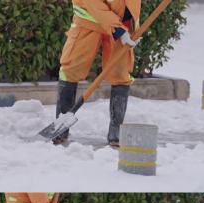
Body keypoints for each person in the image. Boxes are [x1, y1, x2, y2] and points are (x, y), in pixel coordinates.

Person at [54, 0, 142, 146]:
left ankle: (116, 131)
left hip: (122, 22)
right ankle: (61, 127)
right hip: (88, 20)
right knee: (71, 68)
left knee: (121, 73)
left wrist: (133, 25)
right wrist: (117, 29)